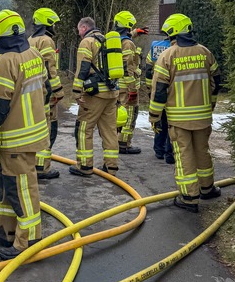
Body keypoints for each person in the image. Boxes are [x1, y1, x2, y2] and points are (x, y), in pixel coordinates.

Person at [0, 10, 48, 261]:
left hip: (17, 138)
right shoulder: (34, 54)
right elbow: (43, 89)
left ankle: (29, 239)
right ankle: (5, 230)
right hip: (30, 133)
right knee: (7, 187)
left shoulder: (6, 62)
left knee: (21, 189)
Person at [149, 13, 222, 212]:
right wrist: (211, 105)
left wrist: (154, 117)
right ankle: (207, 188)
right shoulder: (205, 52)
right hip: (203, 116)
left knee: (184, 156)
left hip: (180, 119)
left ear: (172, 33)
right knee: (202, 152)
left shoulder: (167, 56)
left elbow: (159, 92)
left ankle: (189, 197)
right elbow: (216, 82)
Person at [70, 16, 119, 177]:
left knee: (84, 128)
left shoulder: (87, 42)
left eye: (79, 30)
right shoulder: (105, 40)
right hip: (112, 92)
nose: (79, 34)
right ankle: (111, 166)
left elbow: (83, 67)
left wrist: (77, 90)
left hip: (96, 94)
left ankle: (84, 165)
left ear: (84, 27)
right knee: (110, 130)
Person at [29, 8, 64, 180]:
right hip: (46, 91)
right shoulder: (47, 41)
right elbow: (50, 69)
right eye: (54, 23)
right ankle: (42, 167)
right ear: (48, 23)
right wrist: (59, 92)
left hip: (32, 91)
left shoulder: (29, 40)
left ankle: (33, 163)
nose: (55, 27)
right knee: (48, 128)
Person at [113, 10, 141, 154]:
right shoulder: (128, 44)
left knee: (119, 113)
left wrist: (135, 32)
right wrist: (133, 89)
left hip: (117, 85)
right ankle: (124, 144)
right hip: (127, 86)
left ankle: (117, 140)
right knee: (130, 115)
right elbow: (128, 67)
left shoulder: (114, 39)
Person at [145, 36, 174, 164]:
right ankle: (170, 152)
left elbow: (148, 68)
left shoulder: (156, 46)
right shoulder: (177, 49)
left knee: (160, 120)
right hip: (172, 91)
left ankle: (158, 150)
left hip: (157, 88)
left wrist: (150, 88)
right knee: (171, 122)